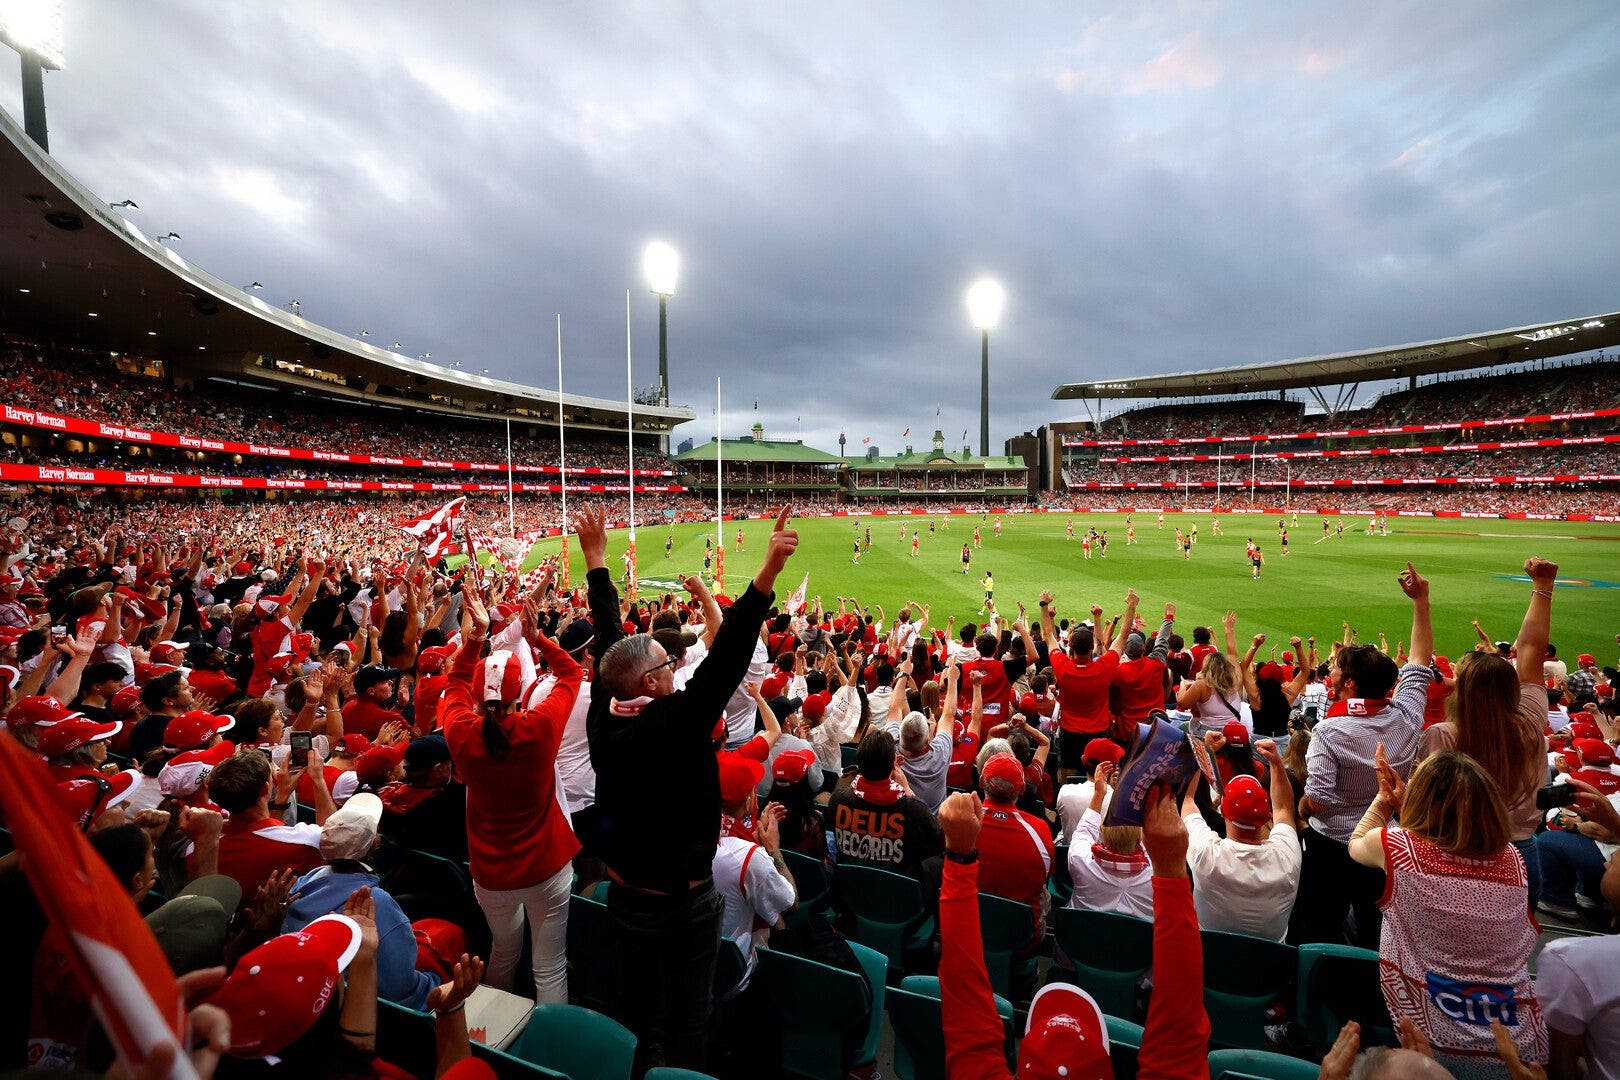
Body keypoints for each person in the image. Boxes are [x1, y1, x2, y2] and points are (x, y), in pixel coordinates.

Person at [582, 503, 798, 1072]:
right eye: (667, 664)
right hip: (681, 904)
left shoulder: (605, 715)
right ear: (652, 682)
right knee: (685, 1020)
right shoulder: (672, 722)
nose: (677, 668)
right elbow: (726, 661)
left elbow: (610, 649)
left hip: (624, 892)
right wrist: (766, 577)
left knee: (634, 1005)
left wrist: (598, 565)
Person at [939, 784, 1209, 1080]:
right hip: (1140, 978)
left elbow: (961, 986)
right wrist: (1169, 867)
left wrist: (958, 858)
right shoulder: (1140, 874)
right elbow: (1180, 1028)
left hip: (1074, 960)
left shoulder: (1080, 860)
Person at [1349, 747, 1548, 1076]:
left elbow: (1358, 841)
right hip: (1521, 1047)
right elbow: (1453, 845)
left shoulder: (1398, 848)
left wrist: (1385, 800)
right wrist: (1410, 807)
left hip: (1435, 1047)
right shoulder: (1514, 859)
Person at [441, 585, 582, 1002]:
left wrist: (474, 639)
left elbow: (454, 685)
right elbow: (572, 673)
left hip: (491, 872)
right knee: (549, 965)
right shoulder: (537, 727)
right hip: (546, 866)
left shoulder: (462, 732)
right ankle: (548, 1050)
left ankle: (493, 1036)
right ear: (519, 694)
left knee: (503, 951)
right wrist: (538, 638)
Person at [1293, 562, 1433, 948]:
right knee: (1377, 932)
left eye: (1337, 669)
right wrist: (1422, 602)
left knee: (1317, 930)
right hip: (1384, 842)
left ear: (1350, 684)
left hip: (1332, 847)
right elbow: (1420, 662)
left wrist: (1300, 812)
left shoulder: (1329, 731)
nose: (1331, 672)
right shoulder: (1406, 717)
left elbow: (1318, 800)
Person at [1419, 560, 1556, 908]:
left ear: (1460, 691)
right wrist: (1542, 587)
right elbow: (1530, 652)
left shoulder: (1443, 737)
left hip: (1459, 851)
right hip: (1522, 853)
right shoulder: (1530, 720)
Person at [1534, 781, 1620, 1080]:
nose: (1613, 859)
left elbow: (1561, 1068)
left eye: (1619, 856)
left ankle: (1559, 901)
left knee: (1546, 842)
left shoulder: (1572, 961)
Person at [1182, 739, 1300, 941]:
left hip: (1209, 958)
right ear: (1266, 816)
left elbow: (1187, 801)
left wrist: (1199, 753)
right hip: (1272, 965)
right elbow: (1284, 808)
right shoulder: (1287, 856)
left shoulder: (1207, 854)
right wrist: (1276, 763)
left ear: (1223, 811)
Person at [827, 728, 942, 877]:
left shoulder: (837, 800)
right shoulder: (914, 809)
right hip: (896, 892)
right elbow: (937, 839)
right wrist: (907, 789)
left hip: (851, 886)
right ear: (893, 766)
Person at [975, 752, 1053, 951]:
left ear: (982, 783)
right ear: (1023, 789)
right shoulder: (1040, 830)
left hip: (970, 930)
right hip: (1022, 939)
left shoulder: (961, 821)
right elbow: (1048, 875)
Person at [1066, 761, 1153, 919]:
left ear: (1102, 830)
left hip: (1079, 939)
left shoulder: (1080, 860)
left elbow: (1084, 830)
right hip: (1137, 944)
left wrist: (1099, 793)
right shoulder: (1156, 874)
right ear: (1140, 837)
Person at [377, 733, 469, 862]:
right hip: (455, 876)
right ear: (437, 770)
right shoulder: (462, 801)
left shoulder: (386, 799)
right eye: (449, 762)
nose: (452, 766)